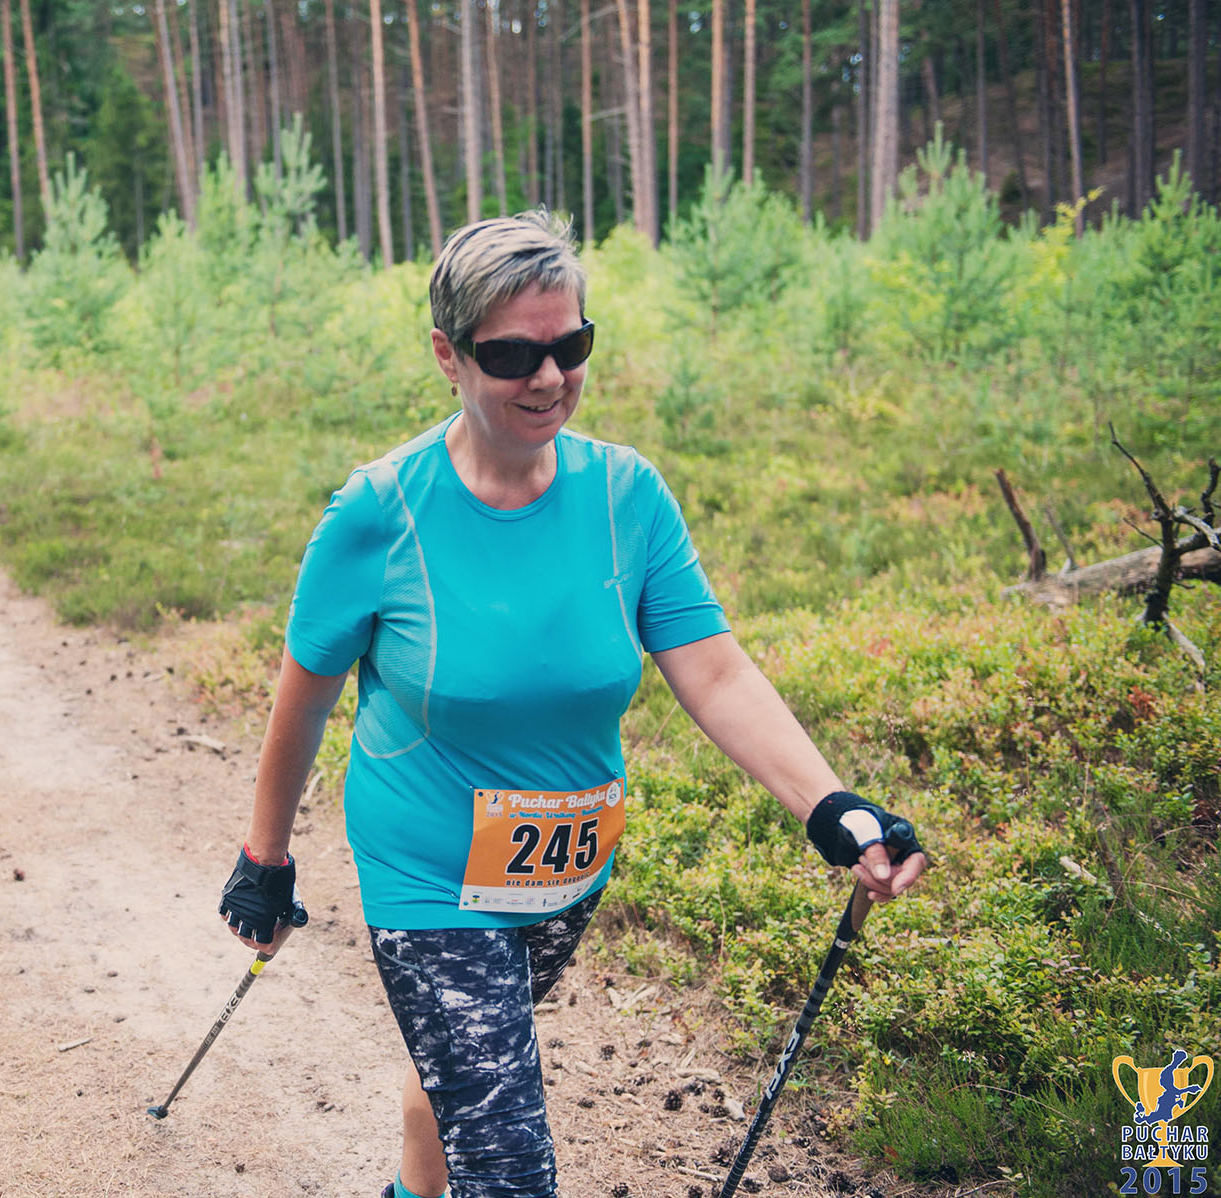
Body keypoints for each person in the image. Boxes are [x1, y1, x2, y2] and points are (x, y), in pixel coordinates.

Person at [217, 211, 928, 1198]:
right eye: (513, 354)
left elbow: (717, 672)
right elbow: (303, 698)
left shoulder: (625, 494)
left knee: (462, 1069)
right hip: (428, 875)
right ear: (448, 355)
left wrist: (832, 807)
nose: (549, 377)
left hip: (566, 872)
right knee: (508, 1163)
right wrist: (265, 858)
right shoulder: (380, 512)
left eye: (571, 346)